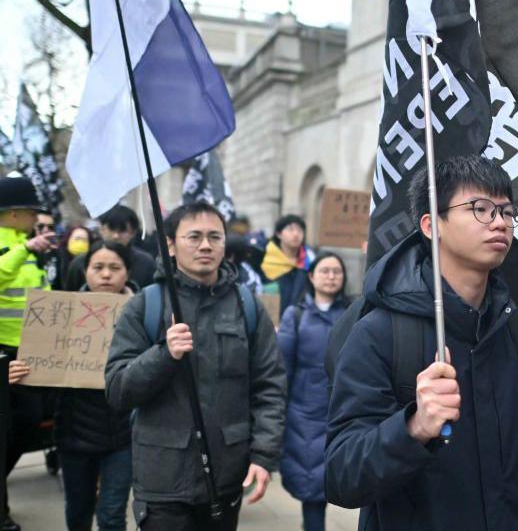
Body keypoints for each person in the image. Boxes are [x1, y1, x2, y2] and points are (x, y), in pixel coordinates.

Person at [324, 155, 518, 530]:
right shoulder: (379, 332)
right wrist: (413, 428)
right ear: (431, 224)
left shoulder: (517, 328)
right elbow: (341, 475)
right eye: (480, 208)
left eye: (507, 211)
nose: (500, 222)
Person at [105, 201, 286, 530]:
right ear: (171, 245)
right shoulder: (145, 305)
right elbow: (118, 390)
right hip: (162, 481)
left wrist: (263, 455)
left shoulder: (247, 306)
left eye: (215, 237)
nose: (205, 245)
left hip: (227, 476)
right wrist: (164, 354)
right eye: (194, 236)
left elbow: (270, 388)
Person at [57, 241, 136, 531]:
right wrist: (22, 374)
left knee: (112, 514)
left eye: (115, 268)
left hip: (124, 434)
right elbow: (47, 381)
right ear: (85, 271)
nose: (106, 275)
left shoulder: (145, 313)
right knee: (78, 511)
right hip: (74, 434)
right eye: (98, 267)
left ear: (127, 272)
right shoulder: (62, 314)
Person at [0, 176, 57, 531]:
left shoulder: (25, 243)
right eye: (31, 211)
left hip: (30, 351)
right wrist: (25, 251)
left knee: (30, 421)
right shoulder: (15, 246)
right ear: (15, 213)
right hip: (4, 353)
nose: (36, 216)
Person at [278, 252, 349, 531]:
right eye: (325, 271)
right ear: (311, 276)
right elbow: (282, 370)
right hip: (305, 416)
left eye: (337, 271)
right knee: (313, 492)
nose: (331, 276)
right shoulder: (295, 316)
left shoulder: (353, 313)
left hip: (344, 410)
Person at [65, 205, 156, 291]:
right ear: (101, 229)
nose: (116, 236)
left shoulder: (145, 263)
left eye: (122, 230)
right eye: (112, 229)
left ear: (133, 232)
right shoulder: (80, 262)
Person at [261, 215, 314, 317]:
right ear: (278, 234)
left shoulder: (309, 261)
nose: (296, 234)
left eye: (300, 230)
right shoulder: (265, 258)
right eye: (290, 230)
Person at [57, 226, 95, 291]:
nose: (80, 242)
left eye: (84, 240)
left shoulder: (91, 262)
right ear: (68, 239)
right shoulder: (58, 257)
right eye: (77, 239)